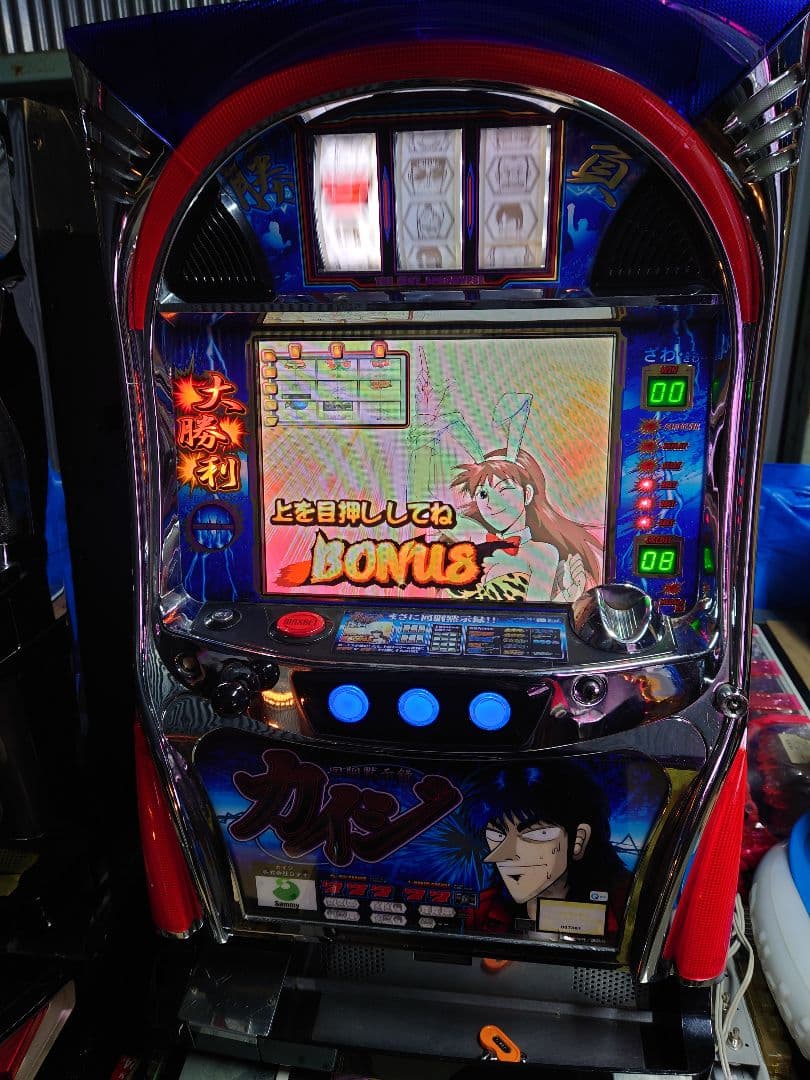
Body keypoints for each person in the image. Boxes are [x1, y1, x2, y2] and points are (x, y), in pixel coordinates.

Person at [468, 763, 629, 934]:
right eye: (498, 835)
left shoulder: (626, 904)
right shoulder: (481, 909)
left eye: (535, 834)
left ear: (579, 840)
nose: (504, 855)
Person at [450, 446, 601, 602]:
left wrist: (564, 599)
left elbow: (535, 613)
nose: (491, 502)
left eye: (503, 489)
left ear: (527, 494)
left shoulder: (543, 554)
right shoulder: (471, 550)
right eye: (482, 494)